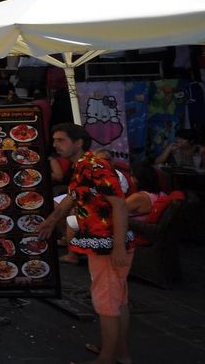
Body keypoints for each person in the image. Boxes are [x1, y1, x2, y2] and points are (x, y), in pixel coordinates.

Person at [38, 123, 134, 364]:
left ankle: (107, 358)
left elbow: (119, 205)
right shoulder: (83, 165)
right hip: (105, 241)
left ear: (79, 142)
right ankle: (120, 354)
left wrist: (118, 246)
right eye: (55, 140)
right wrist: (52, 221)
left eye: (61, 140)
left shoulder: (95, 166)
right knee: (117, 300)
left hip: (107, 243)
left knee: (107, 303)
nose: (56, 145)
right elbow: (73, 197)